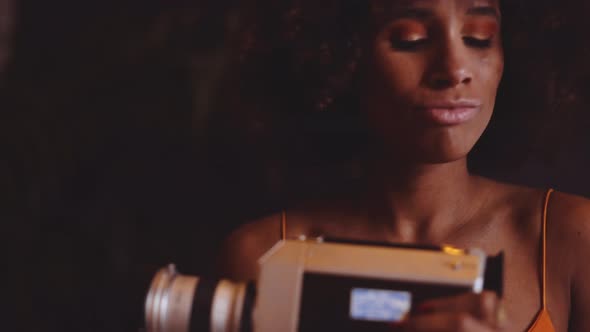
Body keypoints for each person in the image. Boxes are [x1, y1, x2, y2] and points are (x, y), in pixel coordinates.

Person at [215, 0, 590, 331]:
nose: (455, 68)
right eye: (410, 39)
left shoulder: (571, 238)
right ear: (342, 54)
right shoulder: (262, 256)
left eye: (479, 37)